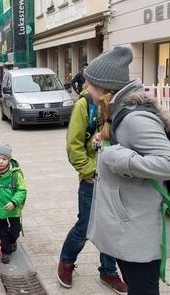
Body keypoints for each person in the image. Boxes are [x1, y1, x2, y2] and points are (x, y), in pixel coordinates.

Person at [85, 46, 170, 295]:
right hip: (129, 223)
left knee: (143, 290)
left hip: (139, 227)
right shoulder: (119, 110)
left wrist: (119, 158)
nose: (86, 89)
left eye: (90, 83)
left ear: (105, 87)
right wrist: (105, 143)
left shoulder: (135, 118)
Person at [57, 85, 127, 293]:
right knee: (85, 226)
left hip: (116, 178)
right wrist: (89, 171)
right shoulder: (84, 104)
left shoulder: (120, 102)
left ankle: (108, 270)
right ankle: (66, 262)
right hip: (92, 179)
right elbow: (73, 144)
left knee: (112, 226)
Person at [0, 143, 27, 264]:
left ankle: (12, 240)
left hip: (13, 209)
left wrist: (14, 201)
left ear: (9, 159)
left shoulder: (16, 174)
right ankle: (6, 251)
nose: (1, 161)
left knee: (15, 230)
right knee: (2, 231)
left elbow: (22, 190)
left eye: (4, 159)